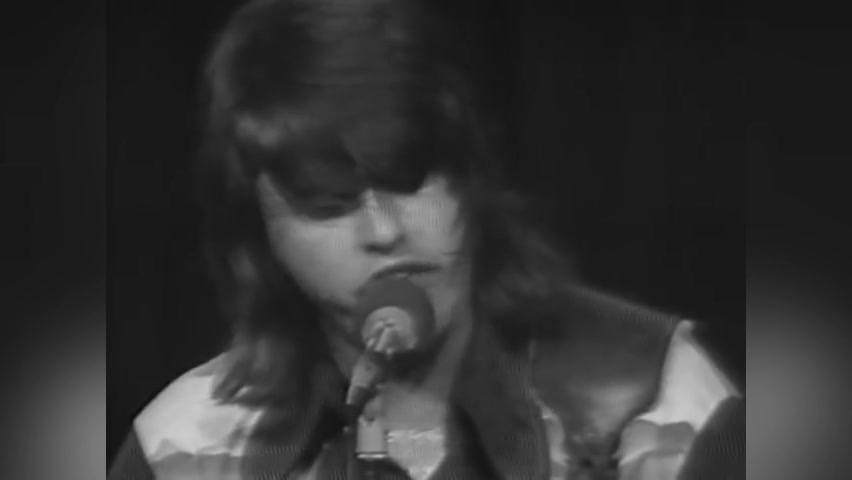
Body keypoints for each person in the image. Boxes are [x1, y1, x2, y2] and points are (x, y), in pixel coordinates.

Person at [109, 0, 742, 478]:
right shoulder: (187, 450)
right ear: (261, 238)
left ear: (470, 178)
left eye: (409, 181)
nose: (386, 232)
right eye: (329, 206)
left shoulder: (657, 406)